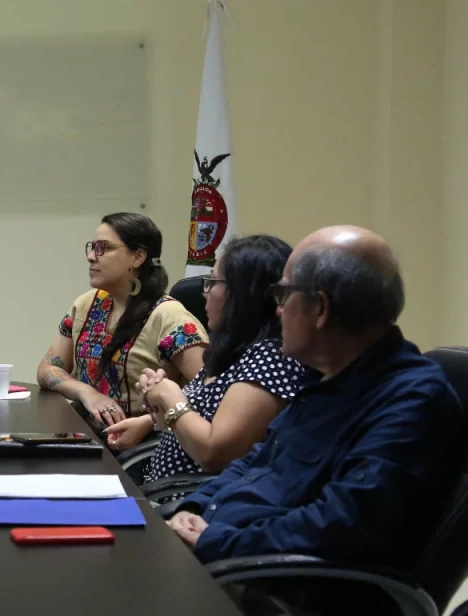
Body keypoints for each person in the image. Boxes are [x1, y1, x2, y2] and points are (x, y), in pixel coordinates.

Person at [167, 225, 462, 568]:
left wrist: (215, 541)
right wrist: (196, 507)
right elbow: (255, 462)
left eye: (283, 295)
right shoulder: (327, 380)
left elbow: (339, 527)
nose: (277, 310)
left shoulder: (411, 401)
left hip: (274, 586)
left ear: (319, 308)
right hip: (224, 555)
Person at [109, 235, 303, 490]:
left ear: (242, 293)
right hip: (160, 491)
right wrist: (156, 410)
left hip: (194, 508)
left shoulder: (271, 359)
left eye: (212, 282)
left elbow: (214, 454)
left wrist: (170, 398)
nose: (204, 292)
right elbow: (198, 418)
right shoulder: (229, 352)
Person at [37, 213, 207, 437]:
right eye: (92, 247)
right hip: (84, 439)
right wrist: (87, 393)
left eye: (103, 248)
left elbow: (211, 391)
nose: (91, 257)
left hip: (143, 447)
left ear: (138, 257)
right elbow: (47, 369)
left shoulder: (169, 317)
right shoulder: (87, 304)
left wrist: (150, 422)